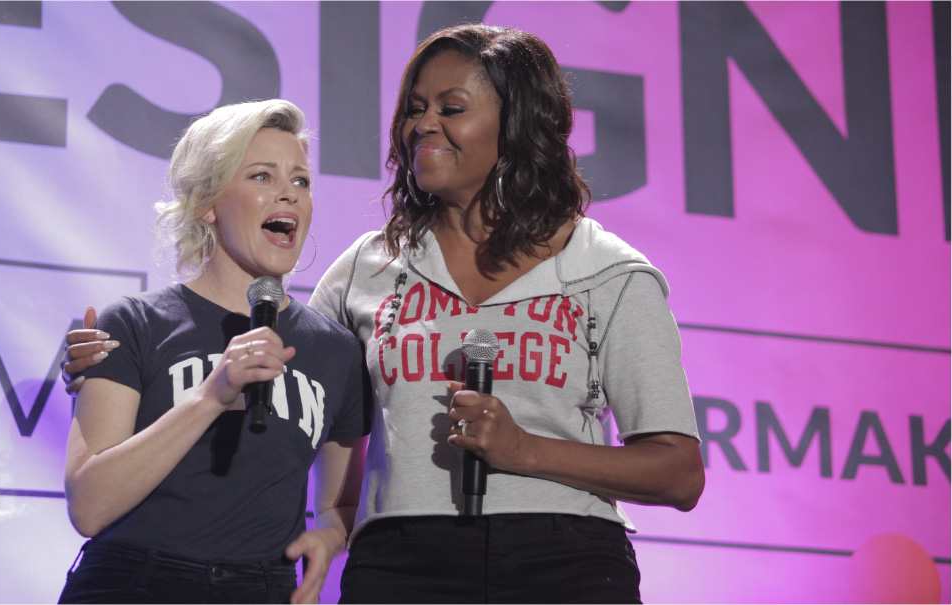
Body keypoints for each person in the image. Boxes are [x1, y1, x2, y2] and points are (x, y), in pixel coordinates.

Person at [66, 24, 704, 604]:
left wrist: (525, 450)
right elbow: (297, 391)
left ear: (518, 128)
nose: (423, 124)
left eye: (451, 109)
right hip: (400, 566)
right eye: (415, 110)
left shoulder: (608, 273)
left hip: (566, 564)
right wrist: (112, 368)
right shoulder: (362, 273)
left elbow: (678, 472)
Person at [57, 99, 367, 604]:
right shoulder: (136, 323)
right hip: (135, 580)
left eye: (301, 181)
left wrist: (329, 537)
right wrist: (211, 396)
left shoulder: (334, 350)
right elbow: (89, 507)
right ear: (208, 202)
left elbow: (343, 502)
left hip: (260, 588)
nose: (288, 193)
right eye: (262, 177)